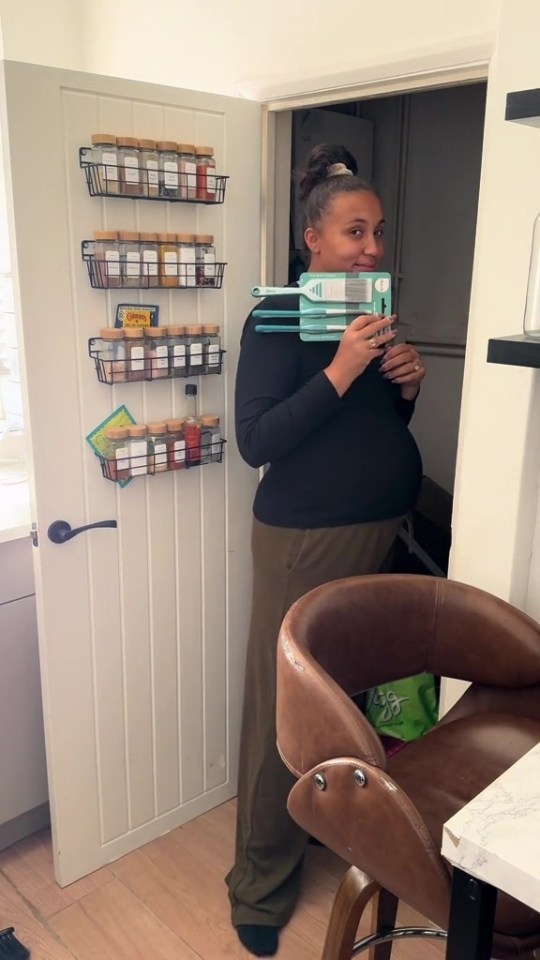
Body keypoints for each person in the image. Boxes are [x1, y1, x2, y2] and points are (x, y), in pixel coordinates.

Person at [226, 143, 426, 957]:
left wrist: (403, 388)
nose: (371, 247)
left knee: (344, 703)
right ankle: (258, 885)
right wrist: (343, 368)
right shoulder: (277, 315)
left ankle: (318, 828)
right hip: (305, 538)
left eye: (377, 232)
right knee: (284, 711)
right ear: (313, 237)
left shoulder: (368, 316)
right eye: (353, 231)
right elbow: (258, 438)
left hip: (377, 529)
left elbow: (367, 436)